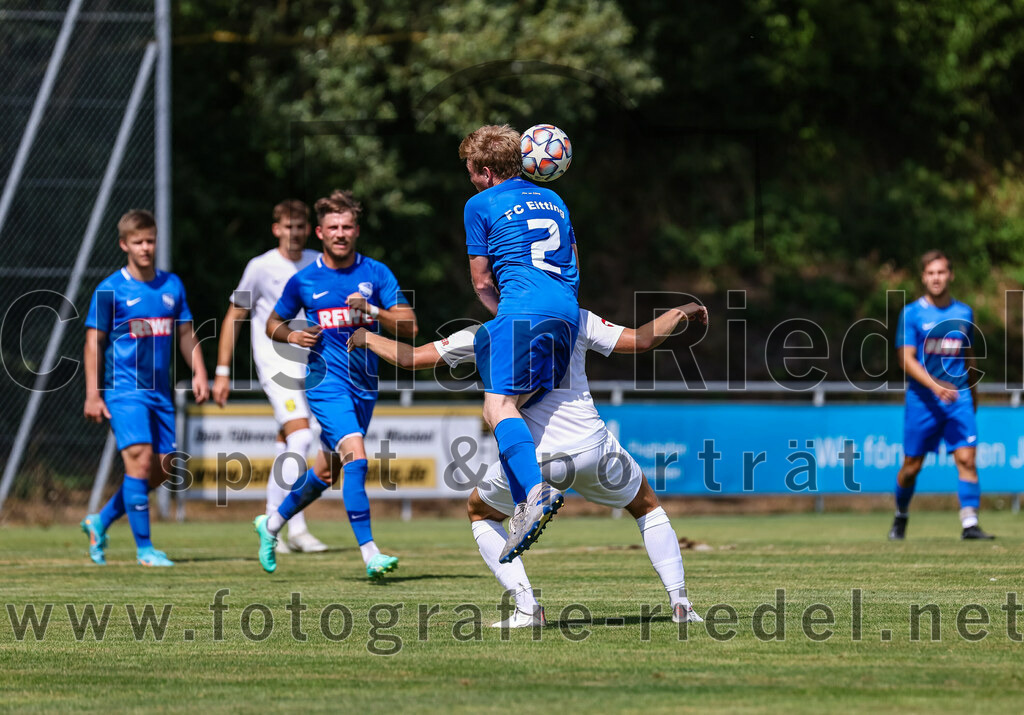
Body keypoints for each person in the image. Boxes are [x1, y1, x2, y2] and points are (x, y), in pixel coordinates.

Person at [349, 301, 709, 627]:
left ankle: (527, 608)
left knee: (480, 512)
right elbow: (643, 340)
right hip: (593, 446)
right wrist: (682, 311)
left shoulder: (480, 334)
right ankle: (680, 604)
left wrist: (367, 337)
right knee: (646, 506)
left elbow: (411, 358)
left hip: (536, 459)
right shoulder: (576, 318)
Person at [252, 190, 418, 578]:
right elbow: (272, 323)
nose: (340, 233)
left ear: (356, 230)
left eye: (346, 227)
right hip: (324, 384)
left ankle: (271, 524)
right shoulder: (305, 279)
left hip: (364, 385)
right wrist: (292, 337)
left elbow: (409, 326)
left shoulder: (376, 273)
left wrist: (374, 311)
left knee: (326, 474)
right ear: (320, 233)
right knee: (357, 459)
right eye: (332, 228)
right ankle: (370, 552)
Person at [459, 124, 581, 564]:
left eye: (471, 170)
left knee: (497, 408)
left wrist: (508, 316)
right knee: (516, 406)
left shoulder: (480, 203)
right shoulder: (555, 199)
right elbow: (573, 262)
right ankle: (522, 506)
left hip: (523, 310)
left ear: (486, 170)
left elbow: (481, 280)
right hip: (566, 311)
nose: (470, 178)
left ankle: (533, 493)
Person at [80, 209, 209, 567]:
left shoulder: (171, 286)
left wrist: (199, 370)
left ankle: (99, 521)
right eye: (138, 242)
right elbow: (93, 342)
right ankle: (145, 550)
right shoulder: (109, 289)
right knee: (138, 461)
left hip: (160, 392)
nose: (145, 248)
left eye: (150, 240)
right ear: (124, 244)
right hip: (124, 389)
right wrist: (93, 393)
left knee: (163, 468)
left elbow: (185, 332)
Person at [212, 199, 327, 554]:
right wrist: (222, 370)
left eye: (300, 226)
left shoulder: (316, 262)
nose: (294, 233)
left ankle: (280, 523)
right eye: (287, 227)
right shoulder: (260, 267)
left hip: (312, 366)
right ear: (276, 229)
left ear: (308, 229)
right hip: (275, 363)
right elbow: (236, 314)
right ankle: (286, 525)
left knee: (295, 441)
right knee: (302, 437)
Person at [889, 250, 993, 540]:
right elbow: (906, 360)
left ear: (950, 275)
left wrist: (973, 393)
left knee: (967, 459)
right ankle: (901, 515)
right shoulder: (911, 313)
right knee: (911, 468)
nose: (936, 278)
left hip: (957, 398)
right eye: (931, 273)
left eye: (941, 272)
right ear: (923, 277)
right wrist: (935, 386)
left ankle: (969, 524)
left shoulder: (964, 313)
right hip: (923, 400)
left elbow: (969, 357)